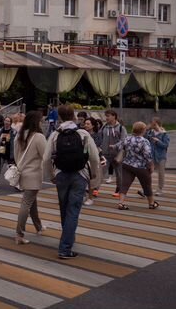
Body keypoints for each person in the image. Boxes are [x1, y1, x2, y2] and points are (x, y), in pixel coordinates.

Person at [42, 104, 100, 260]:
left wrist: (51, 175)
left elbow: (46, 158)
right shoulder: (83, 134)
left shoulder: (55, 135)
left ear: (59, 117)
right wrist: (93, 175)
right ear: (74, 116)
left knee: (64, 208)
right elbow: (94, 157)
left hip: (61, 174)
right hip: (79, 175)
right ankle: (65, 248)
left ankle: (68, 238)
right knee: (73, 210)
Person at [13, 111, 47, 245]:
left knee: (32, 201)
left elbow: (16, 156)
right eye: (41, 121)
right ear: (36, 122)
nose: (42, 123)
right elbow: (46, 156)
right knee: (26, 203)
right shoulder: (39, 137)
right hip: (34, 174)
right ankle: (19, 234)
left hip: (22, 173)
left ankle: (38, 226)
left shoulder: (20, 135)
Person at [115, 122, 159, 210]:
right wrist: (151, 165)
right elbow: (148, 155)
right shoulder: (144, 141)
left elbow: (120, 147)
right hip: (141, 167)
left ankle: (121, 203)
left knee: (125, 184)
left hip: (127, 164)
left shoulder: (127, 138)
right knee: (146, 185)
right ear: (143, 130)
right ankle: (151, 203)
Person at [100, 110, 126, 196]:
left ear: (114, 116)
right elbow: (100, 138)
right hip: (105, 155)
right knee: (101, 171)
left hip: (117, 155)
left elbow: (124, 140)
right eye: (106, 116)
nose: (106, 118)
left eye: (108, 116)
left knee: (119, 173)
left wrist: (115, 146)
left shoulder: (121, 128)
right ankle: (95, 188)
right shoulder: (104, 127)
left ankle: (119, 189)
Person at [144, 117, 170, 196]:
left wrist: (158, 141)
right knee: (147, 173)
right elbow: (143, 138)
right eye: (151, 123)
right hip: (151, 156)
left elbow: (165, 145)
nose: (151, 124)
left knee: (161, 173)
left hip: (161, 156)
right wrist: (146, 129)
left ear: (156, 124)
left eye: (152, 123)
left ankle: (160, 189)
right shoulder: (150, 132)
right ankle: (146, 189)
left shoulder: (164, 134)